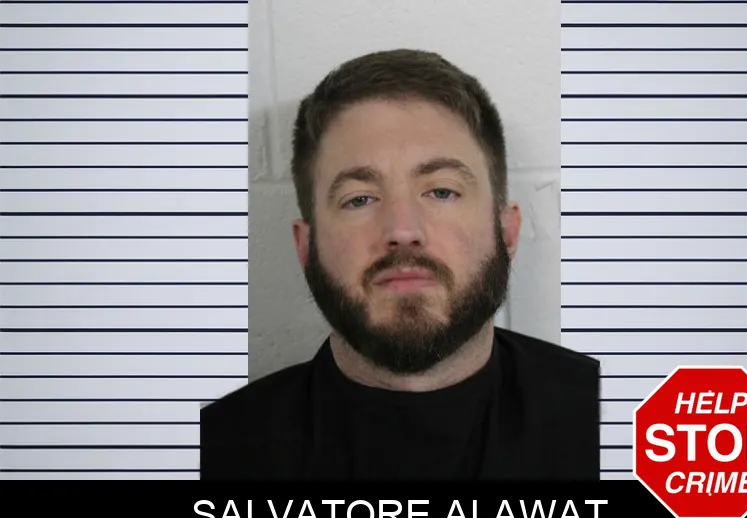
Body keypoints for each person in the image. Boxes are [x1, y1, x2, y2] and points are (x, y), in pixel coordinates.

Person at [200, 49, 600, 480]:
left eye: (441, 191)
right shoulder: (212, 457)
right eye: (359, 199)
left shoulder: (623, 427)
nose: (403, 230)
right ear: (306, 247)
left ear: (507, 232)